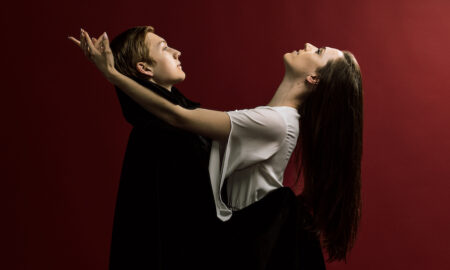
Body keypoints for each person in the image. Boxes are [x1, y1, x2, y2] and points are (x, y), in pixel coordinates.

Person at [72, 27, 363, 269]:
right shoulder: (273, 118)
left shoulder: (275, 122)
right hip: (235, 245)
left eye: (320, 52)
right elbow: (175, 110)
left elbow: (178, 116)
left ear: (314, 78)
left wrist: (112, 75)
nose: (309, 44)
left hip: (242, 249)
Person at [69, 27, 221, 269]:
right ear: (145, 68)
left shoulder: (178, 123)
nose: (177, 52)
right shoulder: (159, 136)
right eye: (164, 47)